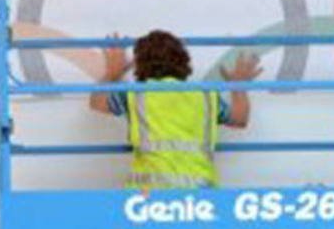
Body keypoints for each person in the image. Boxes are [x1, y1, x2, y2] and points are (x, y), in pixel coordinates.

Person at [90, 30, 262, 189]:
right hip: (200, 191)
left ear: (140, 64)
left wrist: (113, 74)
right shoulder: (205, 95)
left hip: (149, 192)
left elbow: (97, 103)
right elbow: (240, 119)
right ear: (183, 60)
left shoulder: (135, 94)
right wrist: (238, 87)